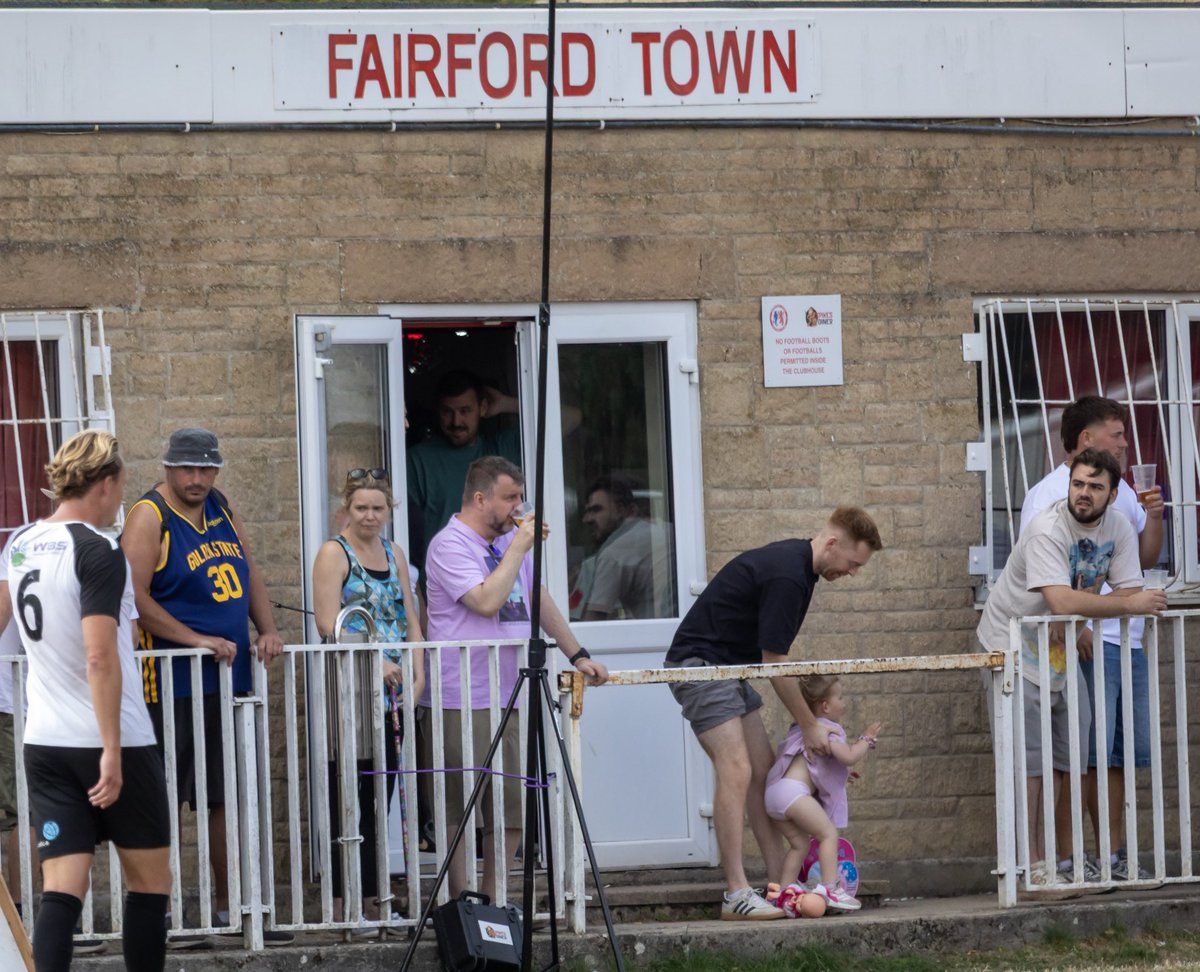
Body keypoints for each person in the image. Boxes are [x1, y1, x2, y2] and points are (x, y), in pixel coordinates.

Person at [665, 506, 883, 921]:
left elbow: (768, 662)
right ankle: (735, 894)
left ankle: (778, 887)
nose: (853, 572)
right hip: (701, 667)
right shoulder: (789, 573)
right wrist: (810, 724)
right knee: (737, 769)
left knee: (766, 774)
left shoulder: (801, 571)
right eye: (853, 564)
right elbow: (775, 663)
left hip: (730, 671)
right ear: (833, 544)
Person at [5, 429, 172, 971]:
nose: (121, 499)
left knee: (62, 890)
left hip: (45, 742)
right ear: (104, 483)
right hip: (111, 738)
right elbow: (100, 656)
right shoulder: (98, 549)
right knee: (150, 884)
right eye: (121, 487)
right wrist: (111, 750)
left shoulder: (21, 541)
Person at [119, 428, 289, 942]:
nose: (197, 478)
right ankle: (158, 911)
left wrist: (268, 628)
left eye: (205, 469)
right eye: (187, 469)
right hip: (167, 682)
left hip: (224, 677)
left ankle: (228, 907)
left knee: (224, 796)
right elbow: (133, 597)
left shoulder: (220, 506)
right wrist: (194, 639)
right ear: (167, 468)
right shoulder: (150, 515)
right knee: (160, 797)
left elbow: (247, 570)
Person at [419, 456, 608, 900]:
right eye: (510, 497)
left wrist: (576, 653)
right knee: (460, 807)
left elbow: (537, 598)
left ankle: (495, 901)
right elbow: (485, 601)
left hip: (511, 691)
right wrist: (520, 547)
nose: (518, 507)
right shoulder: (449, 545)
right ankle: (460, 903)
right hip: (460, 695)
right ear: (480, 498)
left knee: (509, 809)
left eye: (521, 498)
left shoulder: (509, 545)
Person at [978, 448, 1166, 881]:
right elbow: (1063, 600)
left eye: (1095, 487)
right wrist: (1120, 603)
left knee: (1068, 757)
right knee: (1029, 762)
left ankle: (1056, 865)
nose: (1084, 493)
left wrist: (1114, 602)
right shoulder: (1047, 527)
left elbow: (1130, 587)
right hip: (1012, 643)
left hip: (1058, 644)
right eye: (1078, 483)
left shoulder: (1118, 526)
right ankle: (1031, 867)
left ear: (1113, 494)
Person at [312, 467, 426, 931]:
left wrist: (419, 669)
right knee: (351, 797)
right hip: (352, 691)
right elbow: (328, 622)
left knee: (382, 796)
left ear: (389, 510)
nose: (370, 515)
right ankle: (344, 902)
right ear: (347, 508)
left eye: (378, 508)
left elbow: (409, 615)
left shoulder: (394, 551)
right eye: (361, 507)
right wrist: (373, 660)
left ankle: (377, 898)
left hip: (396, 694)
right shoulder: (333, 553)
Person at [764, 675, 880, 913]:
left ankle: (783, 895)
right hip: (793, 792)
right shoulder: (828, 729)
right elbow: (848, 755)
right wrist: (866, 739)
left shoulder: (801, 727)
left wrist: (841, 775)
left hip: (774, 793)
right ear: (825, 706)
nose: (844, 703)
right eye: (840, 697)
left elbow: (813, 764)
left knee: (799, 845)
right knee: (828, 834)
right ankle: (831, 889)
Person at [406, 370, 521, 574]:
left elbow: (570, 420)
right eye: (447, 412)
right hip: (441, 582)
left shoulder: (501, 447)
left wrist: (506, 404)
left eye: (465, 411)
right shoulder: (417, 460)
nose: (456, 421)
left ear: (483, 408)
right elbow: (408, 532)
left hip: (501, 579)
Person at [577, 474, 675, 621]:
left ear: (623, 510)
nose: (587, 519)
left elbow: (592, 622)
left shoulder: (615, 553)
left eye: (596, 510)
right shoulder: (671, 533)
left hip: (653, 637)